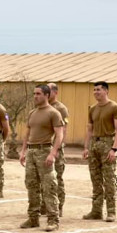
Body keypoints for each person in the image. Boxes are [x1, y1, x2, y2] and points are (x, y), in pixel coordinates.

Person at [19, 84, 64, 232]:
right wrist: (23, 151)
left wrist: (53, 153)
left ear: (46, 95)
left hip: (44, 150)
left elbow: (59, 135)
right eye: (34, 94)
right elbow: (27, 133)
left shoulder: (53, 113)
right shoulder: (32, 113)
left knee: (48, 187)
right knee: (31, 185)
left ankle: (53, 219)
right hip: (31, 152)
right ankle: (33, 218)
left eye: (38, 94)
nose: (35, 96)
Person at [82, 82, 117, 221]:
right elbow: (89, 129)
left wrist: (114, 148)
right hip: (95, 143)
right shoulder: (92, 108)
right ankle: (96, 210)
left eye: (99, 90)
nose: (96, 92)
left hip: (108, 143)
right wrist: (86, 147)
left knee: (109, 179)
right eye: (94, 90)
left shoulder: (115, 107)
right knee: (95, 178)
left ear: (106, 91)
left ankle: (111, 211)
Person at [47, 83, 69, 216]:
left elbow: (63, 130)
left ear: (55, 92)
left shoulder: (61, 108)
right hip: (44, 147)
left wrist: (57, 148)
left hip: (56, 148)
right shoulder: (43, 107)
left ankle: (59, 206)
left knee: (57, 177)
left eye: (48, 91)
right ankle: (46, 205)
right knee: (45, 178)